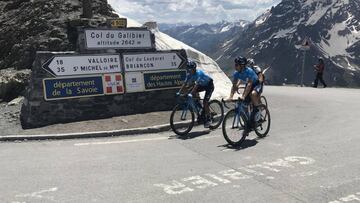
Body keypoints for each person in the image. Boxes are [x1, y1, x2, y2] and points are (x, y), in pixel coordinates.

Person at [227, 56, 262, 134]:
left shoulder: (249, 71)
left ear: (242, 65)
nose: (235, 66)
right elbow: (234, 85)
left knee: (252, 94)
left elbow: (249, 84)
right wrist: (231, 96)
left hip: (256, 84)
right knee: (244, 105)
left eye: (236, 65)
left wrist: (243, 96)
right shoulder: (236, 73)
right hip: (249, 85)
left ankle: (257, 109)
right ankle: (248, 124)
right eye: (235, 64)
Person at [178, 60, 214, 128]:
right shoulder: (189, 74)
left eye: (190, 69)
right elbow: (185, 84)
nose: (189, 70)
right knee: (192, 93)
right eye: (188, 69)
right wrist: (179, 92)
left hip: (209, 85)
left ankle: (209, 119)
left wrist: (191, 93)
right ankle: (200, 109)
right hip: (202, 85)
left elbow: (196, 85)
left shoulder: (199, 73)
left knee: (205, 102)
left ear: (194, 68)